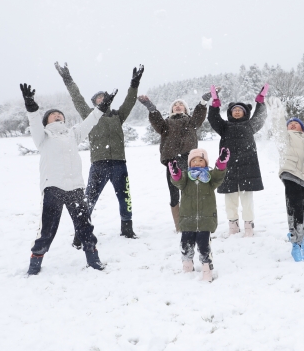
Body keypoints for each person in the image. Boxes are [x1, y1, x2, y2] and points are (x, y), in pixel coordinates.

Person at [19, 83, 117, 275]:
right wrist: (30, 105)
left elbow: (91, 121)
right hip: (53, 188)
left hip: (75, 189)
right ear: (47, 120)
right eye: (53, 115)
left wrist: (102, 106)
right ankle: (35, 262)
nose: (57, 115)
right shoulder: (43, 137)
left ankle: (93, 258)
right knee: (47, 230)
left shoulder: (73, 134)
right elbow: (34, 122)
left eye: (60, 114)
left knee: (85, 227)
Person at [54, 62, 143, 244]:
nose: (102, 99)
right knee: (89, 200)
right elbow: (77, 98)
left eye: (104, 96)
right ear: (94, 103)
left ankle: (127, 228)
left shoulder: (118, 115)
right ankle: (81, 234)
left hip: (119, 163)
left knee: (125, 197)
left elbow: (130, 102)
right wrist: (68, 79)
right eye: (98, 98)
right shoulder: (89, 116)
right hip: (99, 164)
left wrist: (134, 85)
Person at [137, 92, 210, 232]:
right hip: (172, 162)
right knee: (174, 193)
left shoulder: (191, 121)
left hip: (189, 161)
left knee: (190, 192)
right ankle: (179, 226)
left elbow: (199, 115)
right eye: (175, 105)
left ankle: (193, 223)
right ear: (171, 110)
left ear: (186, 109)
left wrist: (203, 101)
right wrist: (150, 107)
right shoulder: (165, 124)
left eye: (181, 104)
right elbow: (157, 120)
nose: (178, 106)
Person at [207, 85, 268, 237]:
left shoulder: (250, 125)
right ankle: (233, 225)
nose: (237, 111)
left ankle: (249, 226)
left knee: (247, 200)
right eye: (234, 110)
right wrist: (215, 103)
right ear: (230, 113)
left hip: (248, 167)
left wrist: (260, 101)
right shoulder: (224, 127)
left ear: (245, 113)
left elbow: (260, 117)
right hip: (229, 168)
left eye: (240, 110)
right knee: (230, 200)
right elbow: (213, 119)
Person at [269, 98, 304, 262]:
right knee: (295, 209)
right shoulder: (285, 138)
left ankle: (302, 236)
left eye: (295, 123)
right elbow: (278, 130)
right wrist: (278, 116)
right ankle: (295, 245)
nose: (292, 125)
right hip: (290, 174)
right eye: (289, 123)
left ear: (302, 128)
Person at [168, 148, 229, 282]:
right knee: (185, 245)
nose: (197, 163)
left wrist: (221, 163)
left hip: (205, 220)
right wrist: (175, 172)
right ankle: (187, 268)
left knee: (204, 247)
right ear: (189, 164)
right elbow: (177, 180)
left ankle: (207, 269)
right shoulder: (186, 178)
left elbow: (219, 175)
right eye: (194, 160)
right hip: (187, 220)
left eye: (200, 160)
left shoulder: (209, 178)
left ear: (206, 163)